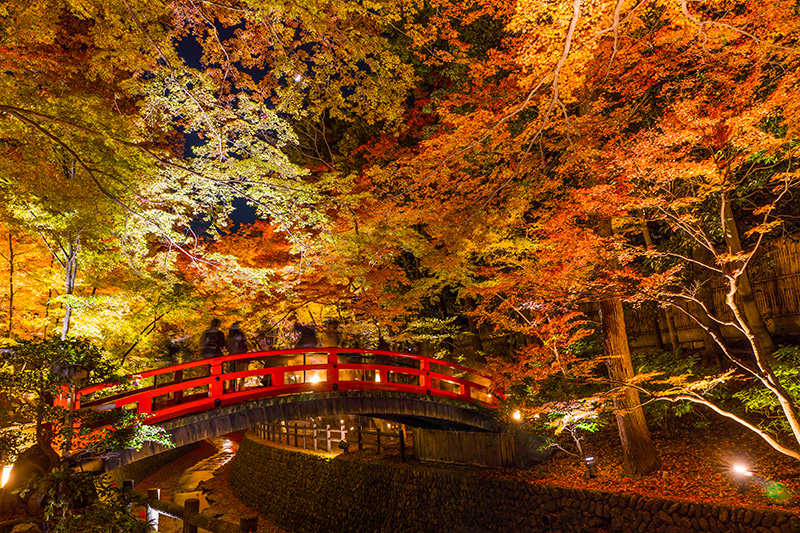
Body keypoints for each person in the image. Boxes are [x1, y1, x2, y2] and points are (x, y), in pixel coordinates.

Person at [227, 322, 249, 391]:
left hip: (231, 357)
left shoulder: (228, 336)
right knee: (242, 374)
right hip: (241, 356)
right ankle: (241, 388)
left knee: (232, 374)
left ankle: (232, 389)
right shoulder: (242, 336)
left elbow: (227, 346)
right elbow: (245, 345)